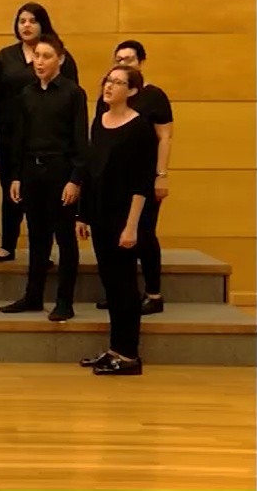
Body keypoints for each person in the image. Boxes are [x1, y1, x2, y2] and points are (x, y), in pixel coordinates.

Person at [2, 34, 88, 322]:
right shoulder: (25, 94)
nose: (39, 62)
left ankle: (65, 301)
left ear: (60, 60)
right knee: (37, 238)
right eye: (36, 56)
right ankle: (33, 295)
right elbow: (19, 139)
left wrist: (75, 179)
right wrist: (15, 176)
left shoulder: (73, 94)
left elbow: (80, 141)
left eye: (46, 56)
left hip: (60, 171)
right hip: (31, 170)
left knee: (64, 238)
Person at [0, 2, 79, 263]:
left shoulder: (61, 57)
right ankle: (7, 245)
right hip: (10, 135)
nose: (26, 25)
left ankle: (42, 252)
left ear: (42, 24)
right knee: (12, 189)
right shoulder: (5, 56)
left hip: (49, 141)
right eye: (21, 20)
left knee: (45, 201)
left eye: (32, 21)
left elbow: (71, 98)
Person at [76, 65, 154, 376]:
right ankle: (114, 350)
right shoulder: (100, 121)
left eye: (118, 82)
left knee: (124, 287)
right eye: (108, 80)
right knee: (110, 285)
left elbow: (141, 182)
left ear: (132, 91)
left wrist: (132, 226)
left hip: (125, 217)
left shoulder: (140, 128)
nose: (109, 86)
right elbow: (92, 171)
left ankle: (129, 355)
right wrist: (83, 214)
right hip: (100, 214)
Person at [94, 40, 173, 315]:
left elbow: (165, 137)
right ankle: (120, 293)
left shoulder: (154, 96)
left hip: (144, 176)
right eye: (118, 59)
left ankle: (153, 292)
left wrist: (161, 176)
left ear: (140, 61)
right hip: (113, 182)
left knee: (144, 231)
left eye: (128, 59)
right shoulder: (107, 97)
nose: (122, 63)